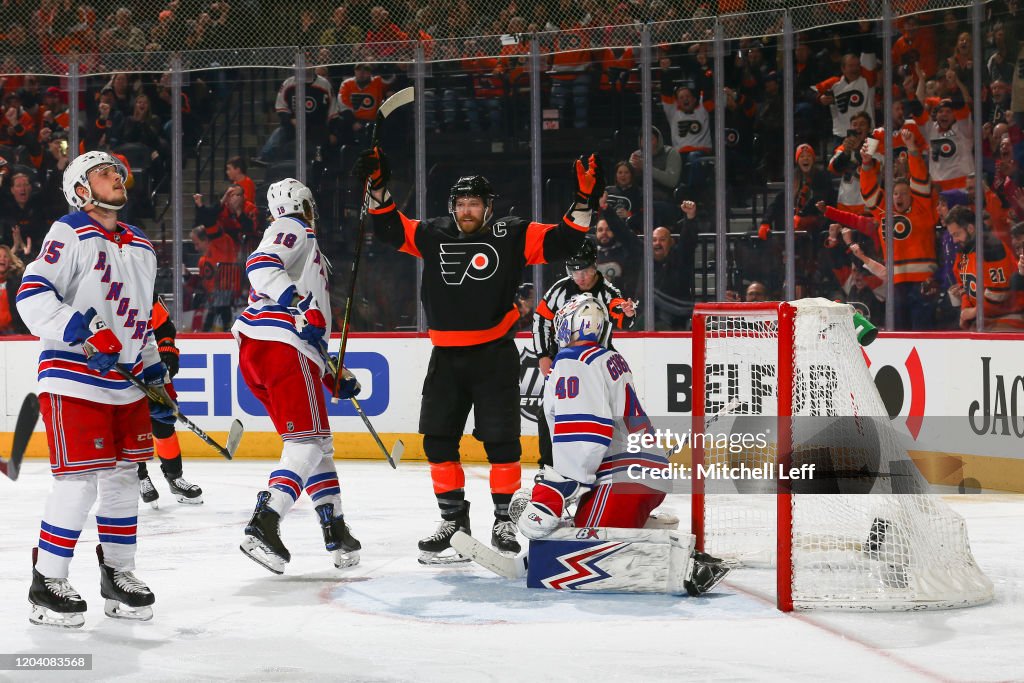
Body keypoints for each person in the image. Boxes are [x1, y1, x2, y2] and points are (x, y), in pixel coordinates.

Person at [355, 146, 601, 564]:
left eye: (475, 203)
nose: (467, 210)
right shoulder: (433, 234)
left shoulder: (513, 235)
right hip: (446, 359)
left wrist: (583, 201)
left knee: (502, 444)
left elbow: (565, 239)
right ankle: (453, 521)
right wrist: (378, 186)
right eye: (461, 203)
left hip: (493, 355)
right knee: (437, 442)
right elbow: (389, 229)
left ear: (489, 207)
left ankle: (504, 520)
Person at [17, 151, 165, 627]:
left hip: (126, 383)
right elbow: (33, 294)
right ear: (81, 190)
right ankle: (48, 582)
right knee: (78, 480)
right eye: (104, 173)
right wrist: (80, 331)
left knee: (123, 478)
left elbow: (139, 320)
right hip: (74, 375)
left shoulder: (142, 245)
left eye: (119, 172)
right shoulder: (69, 230)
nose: (117, 177)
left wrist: (155, 374)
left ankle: (118, 574)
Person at [514, 293, 729, 596]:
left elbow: (586, 435)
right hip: (642, 474)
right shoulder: (608, 358)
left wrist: (557, 491)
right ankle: (643, 531)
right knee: (577, 533)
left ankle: (686, 565)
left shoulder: (573, 361)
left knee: (577, 556)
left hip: (620, 479)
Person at [234, 178, 361, 575]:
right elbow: (259, 266)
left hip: (273, 349)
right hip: (281, 345)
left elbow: (312, 326)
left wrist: (332, 372)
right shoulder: (294, 228)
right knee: (306, 443)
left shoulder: (310, 252)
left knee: (317, 442)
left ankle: (335, 527)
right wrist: (298, 305)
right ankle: (265, 522)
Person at [532, 238, 638, 470]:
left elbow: (621, 314)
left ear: (594, 265)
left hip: (595, 364)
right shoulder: (559, 290)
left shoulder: (608, 291)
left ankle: (612, 464)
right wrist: (542, 354)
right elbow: (541, 320)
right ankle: (548, 468)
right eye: (574, 271)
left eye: (585, 271)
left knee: (604, 410)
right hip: (565, 363)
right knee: (547, 413)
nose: (579, 277)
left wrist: (628, 313)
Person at [136, 296, 203, 507]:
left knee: (164, 419)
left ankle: (175, 478)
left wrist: (167, 350)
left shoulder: (143, 282)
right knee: (130, 423)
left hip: (148, 360)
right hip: (116, 362)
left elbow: (163, 326)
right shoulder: (100, 283)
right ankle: (139, 477)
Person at [945, 205, 1023, 331]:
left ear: (970, 228)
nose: (954, 240)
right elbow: (963, 286)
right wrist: (965, 311)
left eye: (956, 234)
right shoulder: (963, 252)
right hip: (983, 318)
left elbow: (999, 295)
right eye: (952, 235)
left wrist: (973, 312)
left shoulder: (991, 247)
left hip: (1009, 317)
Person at [0, 243, 27, 334]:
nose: (2, 259)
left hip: (13, 333)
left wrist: (26, 256)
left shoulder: (17, 283)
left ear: (10, 261)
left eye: (5, 256)